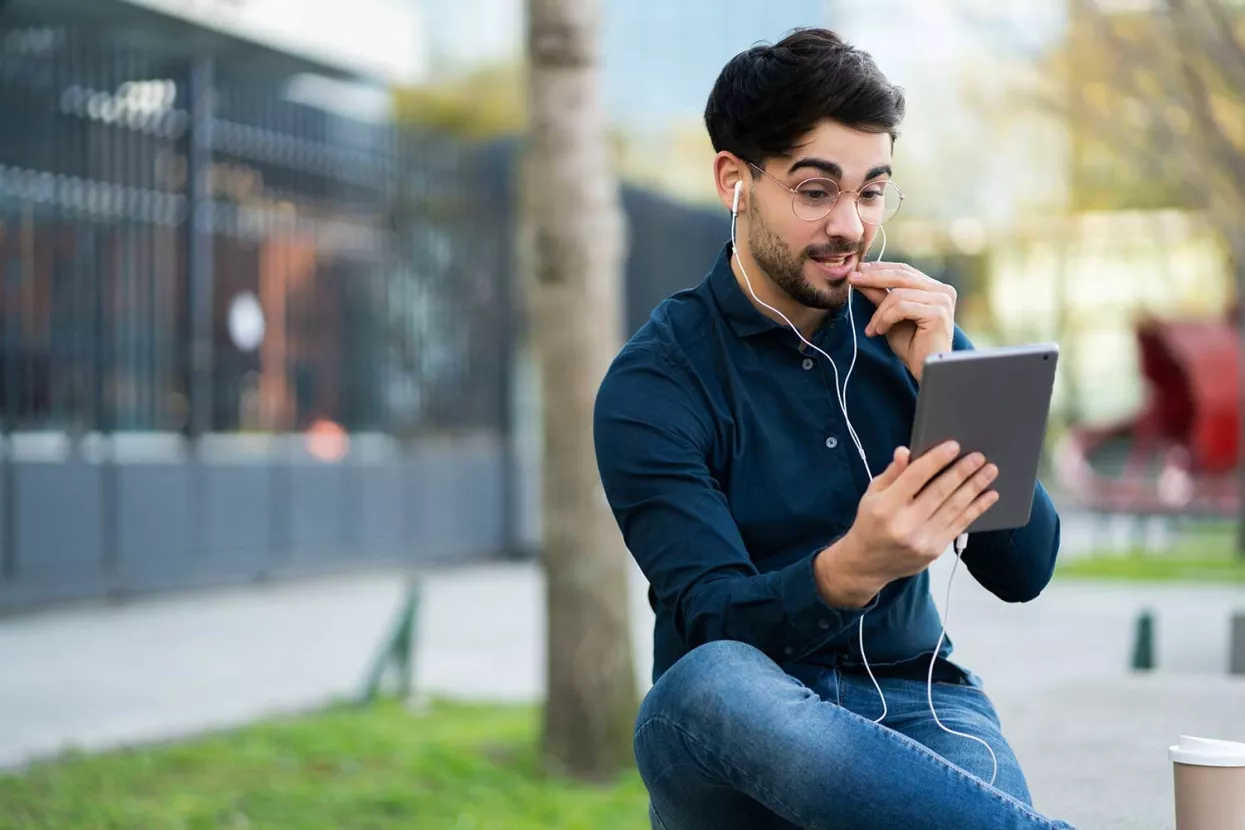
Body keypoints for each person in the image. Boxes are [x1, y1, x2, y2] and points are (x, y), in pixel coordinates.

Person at [592, 28, 1078, 830]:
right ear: (734, 181)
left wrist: (947, 380)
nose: (851, 225)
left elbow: (1024, 570)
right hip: (731, 733)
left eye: (871, 192)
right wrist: (850, 570)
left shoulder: (912, 334)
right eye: (816, 191)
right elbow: (710, 621)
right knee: (711, 679)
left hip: (917, 701)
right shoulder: (656, 381)